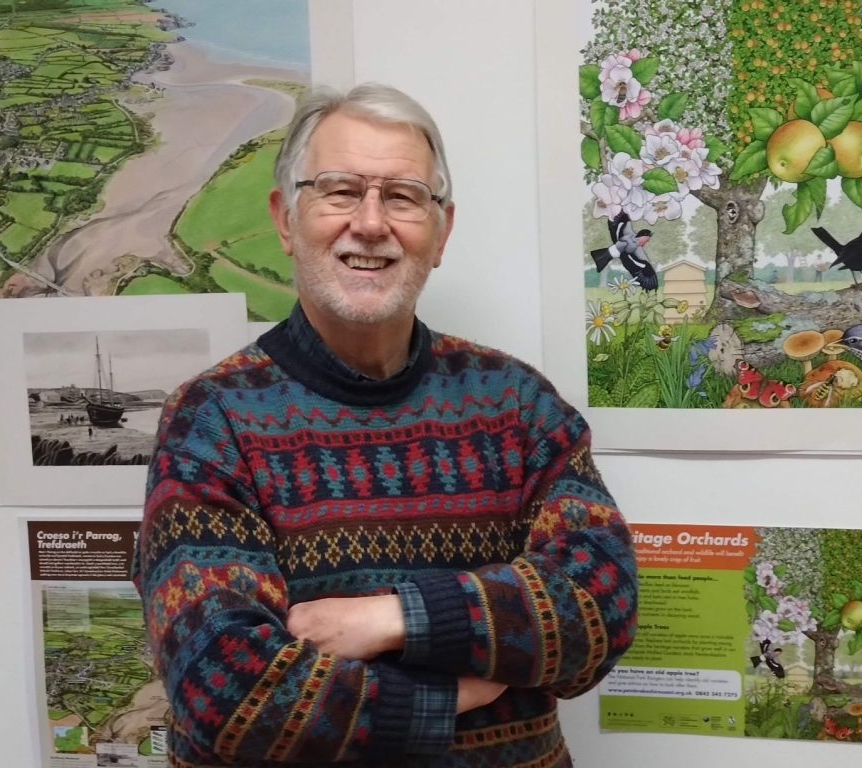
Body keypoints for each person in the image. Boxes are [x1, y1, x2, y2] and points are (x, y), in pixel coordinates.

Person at [133, 83, 637, 767]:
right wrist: (454, 694)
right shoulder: (211, 417)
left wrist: (392, 619)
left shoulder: (516, 403)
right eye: (339, 191)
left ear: (442, 232)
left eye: (402, 197)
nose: (370, 224)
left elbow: (602, 606)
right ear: (286, 219)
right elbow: (222, 688)